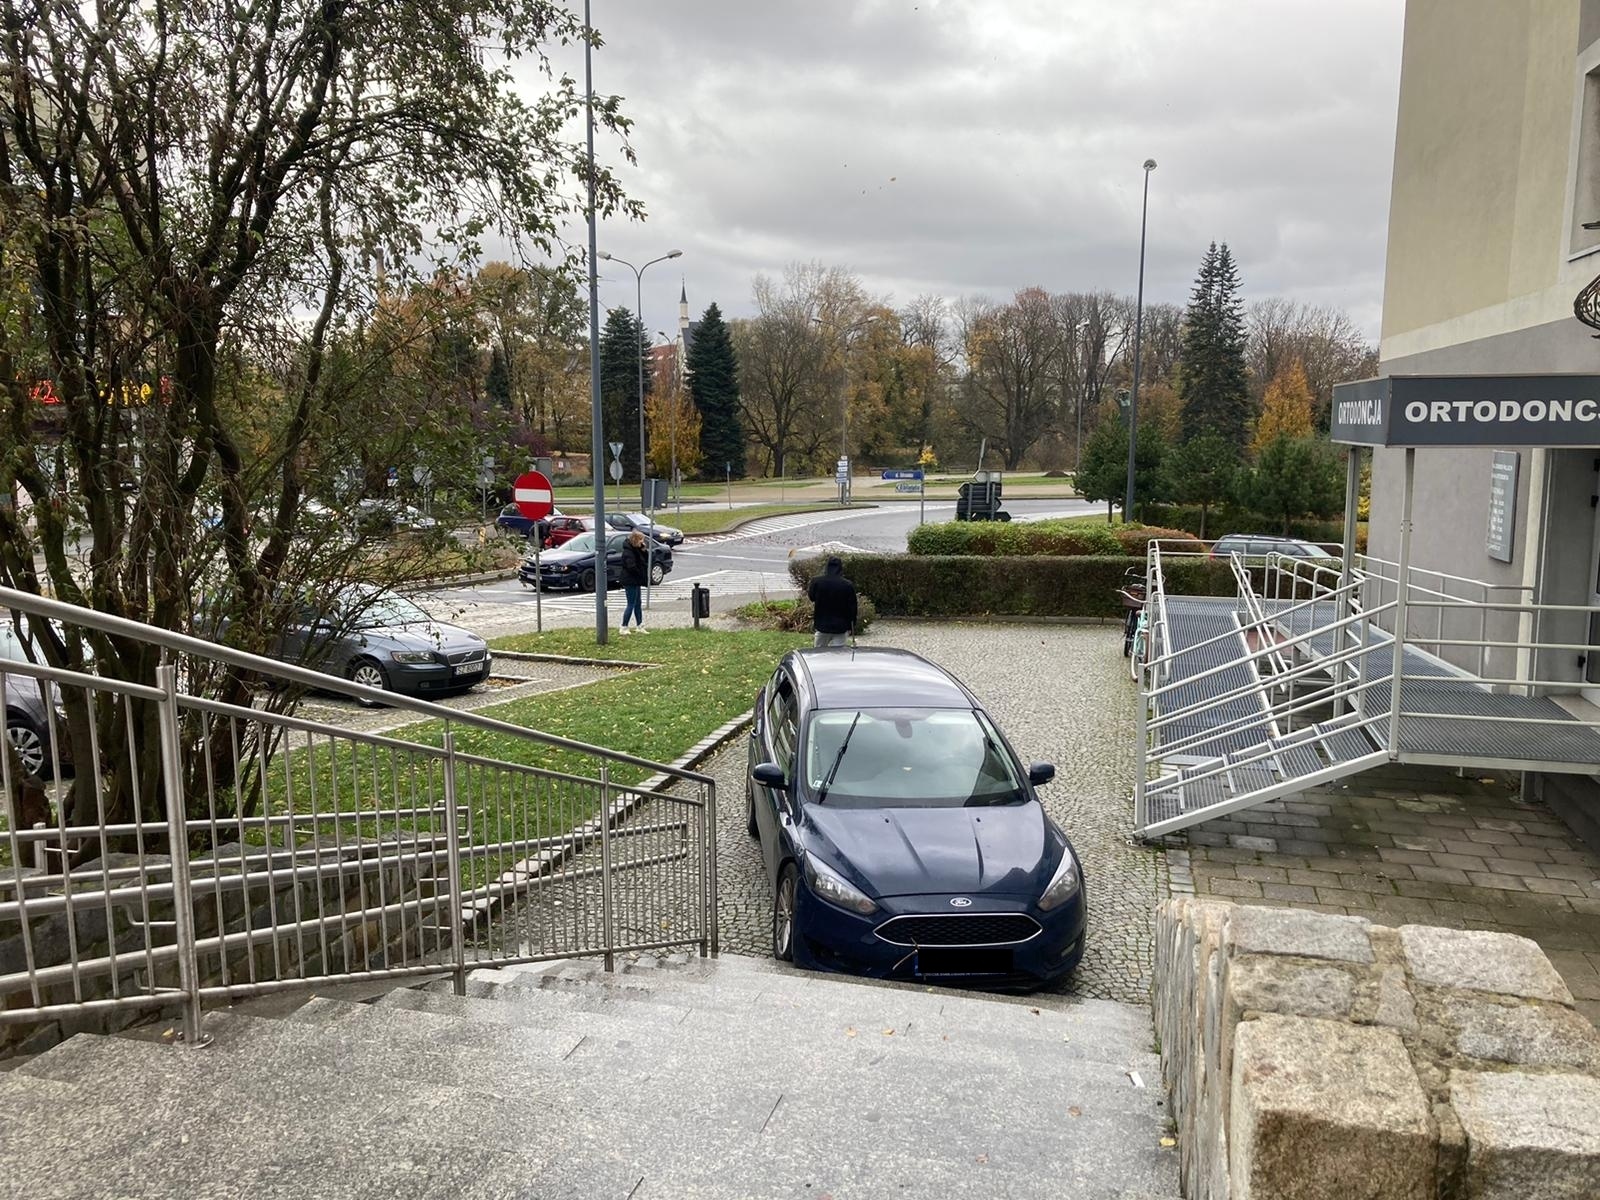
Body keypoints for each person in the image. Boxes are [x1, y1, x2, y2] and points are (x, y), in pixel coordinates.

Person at [807, 556, 857, 649]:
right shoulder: (847, 585)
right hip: (841, 626)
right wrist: (852, 625)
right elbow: (852, 608)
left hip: (822, 624)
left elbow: (812, 597)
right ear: (841, 568)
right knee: (838, 653)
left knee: (819, 651)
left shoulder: (817, 582)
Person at [619, 530, 649, 634]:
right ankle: (624, 626)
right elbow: (631, 566)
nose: (642, 542)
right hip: (630, 580)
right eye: (641, 540)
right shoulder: (628, 551)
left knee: (638, 603)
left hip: (635, 580)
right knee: (631, 603)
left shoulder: (636, 549)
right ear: (636, 540)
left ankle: (639, 625)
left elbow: (645, 559)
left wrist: (643, 549)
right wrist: (639, 573)